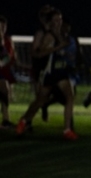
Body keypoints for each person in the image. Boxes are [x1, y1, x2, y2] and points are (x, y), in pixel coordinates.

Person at [17, 8, 79, 140]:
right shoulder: (49, 36)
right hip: (49, 72)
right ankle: (24, 120)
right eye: (55, 20)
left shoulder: (63, 35)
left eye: (60, 19)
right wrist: (57, 48)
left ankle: (67, 130)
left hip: (61, 72)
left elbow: (65, 52)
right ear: (50, 22)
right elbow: (39, 53)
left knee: (70, 97)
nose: (58, 22)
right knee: (40, 101)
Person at [0, 15, 17, 127]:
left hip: (4, 71)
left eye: (4, 26)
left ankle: (6, 119)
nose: (2, 29)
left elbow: (8, 56)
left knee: (5, 92)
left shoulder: (7, 40)